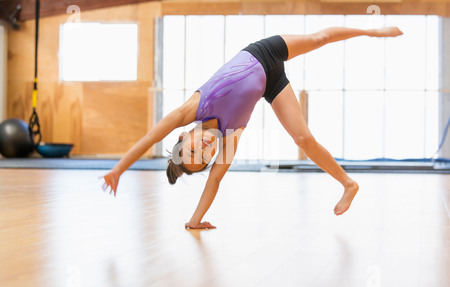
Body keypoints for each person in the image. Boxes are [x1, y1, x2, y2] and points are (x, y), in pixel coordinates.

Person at [102, 26, 404, 229]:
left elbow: (148, 138)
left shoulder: (191, 109)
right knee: (304, 138)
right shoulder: (230, 139)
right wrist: (194, 221)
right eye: (205, 158)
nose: (206, 149)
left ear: (185, 135)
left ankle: (372, 31)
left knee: (318, 39)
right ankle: (349, 184)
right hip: (271, 85)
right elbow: (214, 183)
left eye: (194, 148)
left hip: (263, 53)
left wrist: (118, 170)